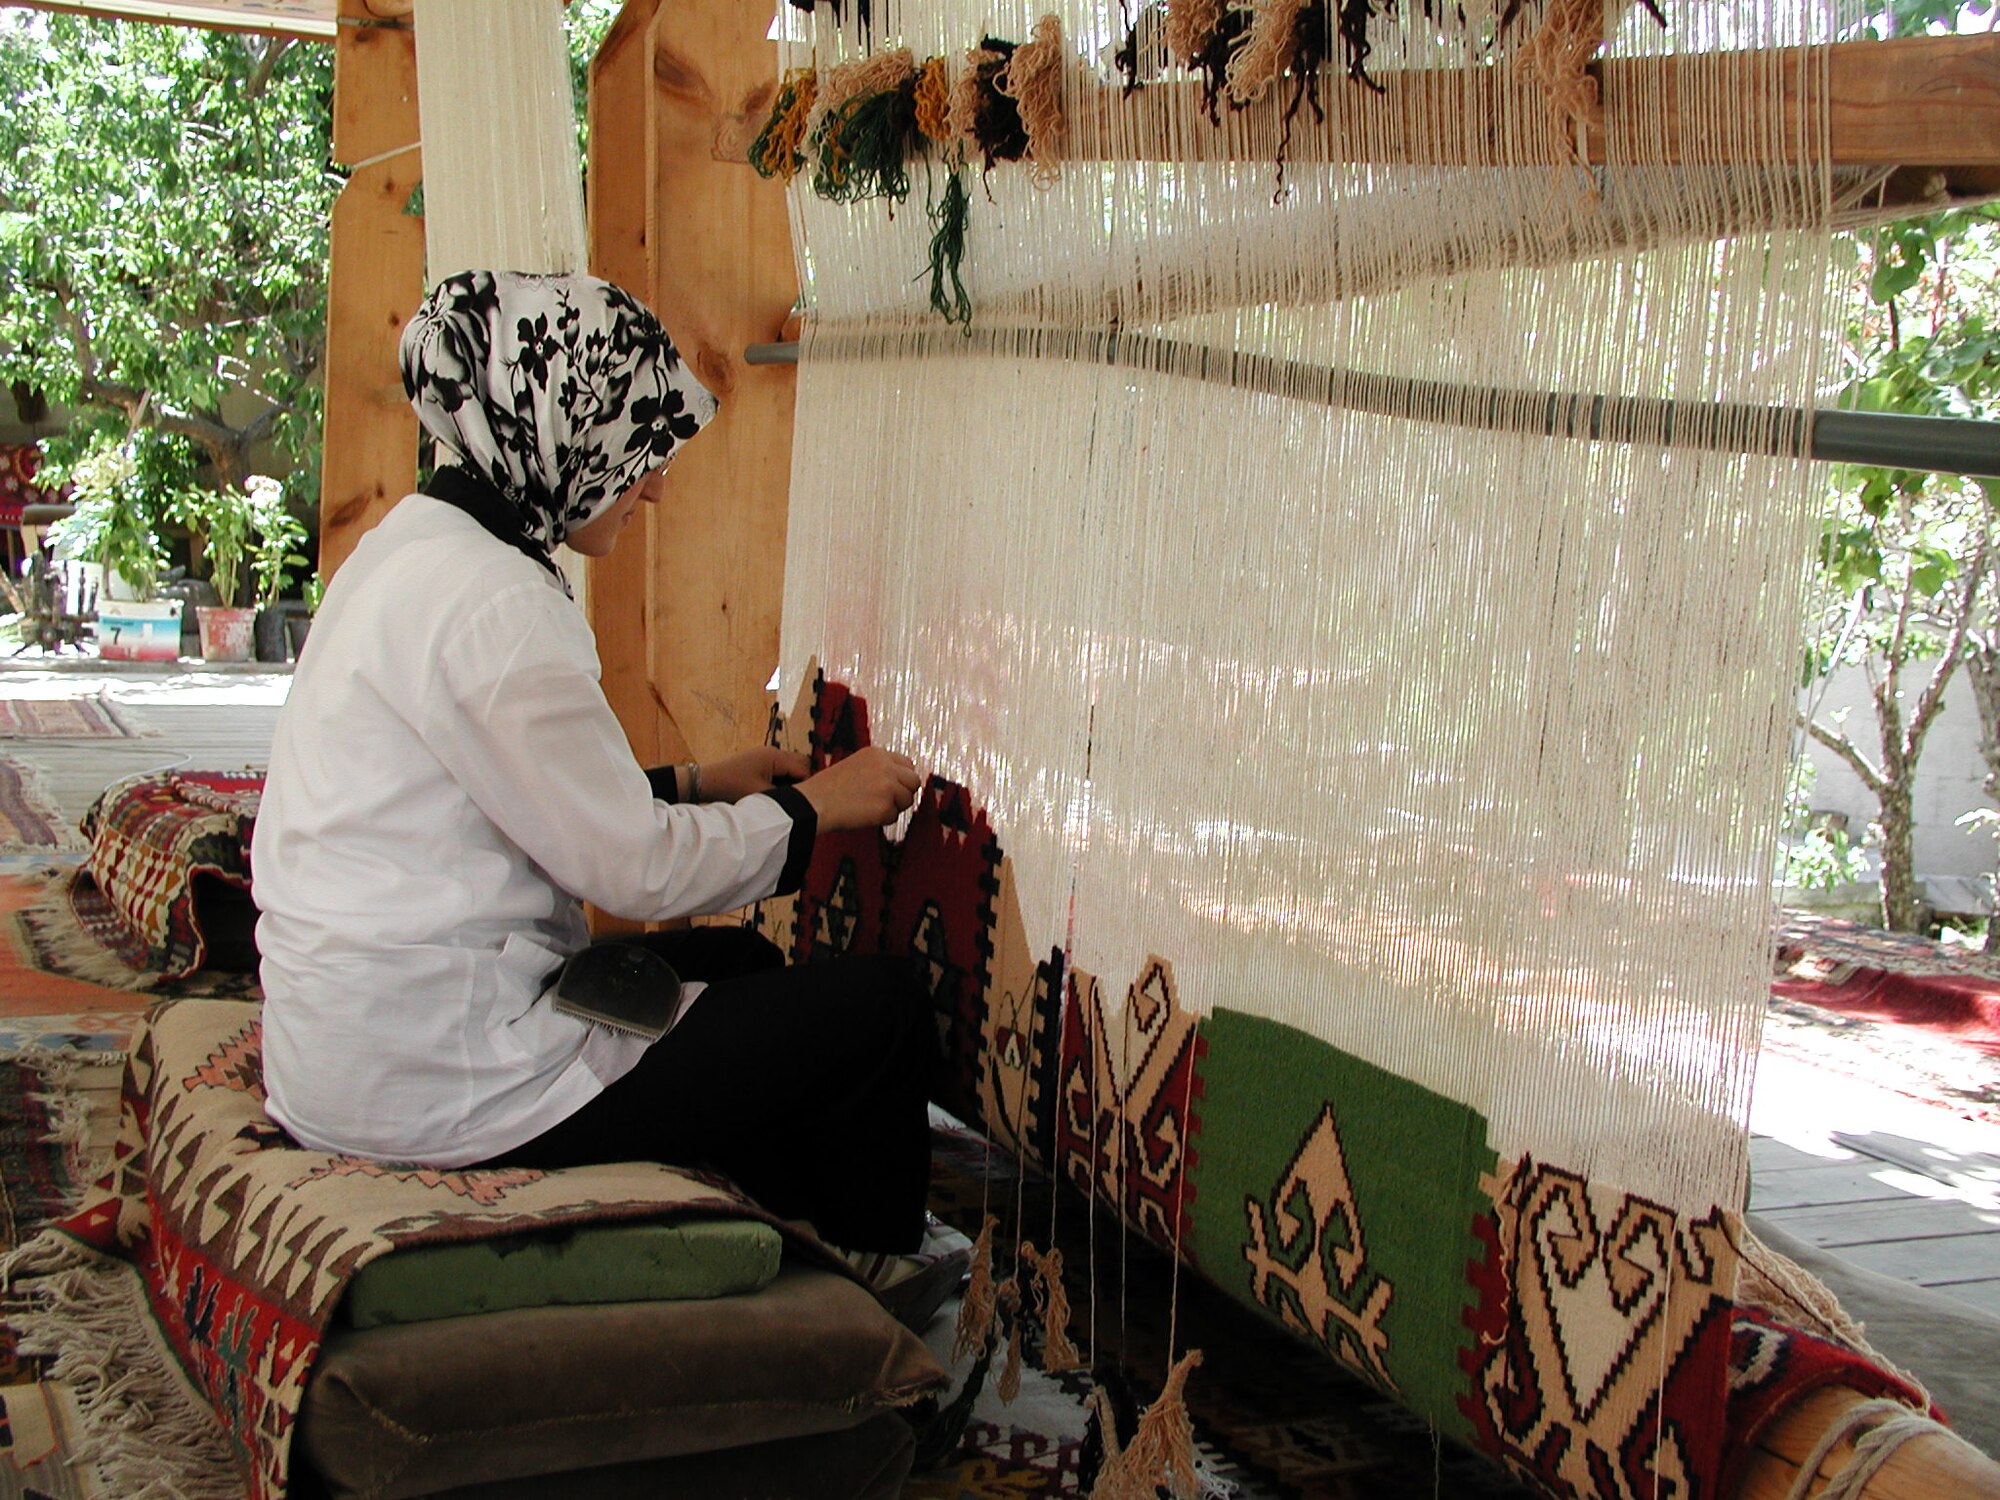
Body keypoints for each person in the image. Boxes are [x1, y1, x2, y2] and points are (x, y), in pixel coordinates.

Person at [253, 270, 941, 1274]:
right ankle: (873, 1297)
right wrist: (814, 807)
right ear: (555, 433)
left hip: (353, 1045)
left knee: (743, 971)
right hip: (442, 1078)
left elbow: (505, 799)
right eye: (634, 450)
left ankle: (772, 1243)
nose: (653, 484)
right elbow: (631, 873)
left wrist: (701, 786)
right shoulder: (497, 604)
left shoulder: (406, 551)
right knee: (880, 1012)